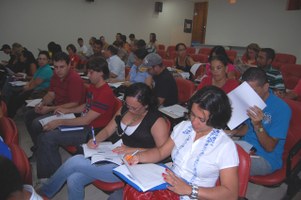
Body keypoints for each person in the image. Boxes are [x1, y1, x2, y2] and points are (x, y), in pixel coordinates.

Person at [38, 82, 170, 200]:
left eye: (134, 108)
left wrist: (132, 150)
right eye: (127, 105)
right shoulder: (124, 109)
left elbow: (162, 153)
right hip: (116, 156)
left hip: (134, 166)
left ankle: (43, 193)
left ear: (146, 105)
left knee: (76, 161)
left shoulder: (157, 121)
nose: (129, 109)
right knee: (74, 179)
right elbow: (108, 130)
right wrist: (96, 140)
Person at [125, 86, 239, 200]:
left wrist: (189, 189)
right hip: (169, 186)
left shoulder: (225, 146)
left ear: (216, 119)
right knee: (134, 190)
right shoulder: (184, 127)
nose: (194, 122)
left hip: (197, 195)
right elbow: (160, 152)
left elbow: (230, 194)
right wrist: (139, 157)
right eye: (193, 114)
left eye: (201, 119)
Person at [36, 56, 116, 179]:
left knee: (48, 138)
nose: (88, 75)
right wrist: (67, 110)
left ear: (101, 73)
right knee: (44, 134)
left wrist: (59, 122)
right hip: (85, 124)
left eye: (91, 72)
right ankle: (50, 172)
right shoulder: (94, 86)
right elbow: (86, 105)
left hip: (92, 130)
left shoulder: (105, 92)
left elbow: (86, 119)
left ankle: (53, 177)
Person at [228, 67, 291, 176]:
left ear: (266, 87)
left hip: (265, 157)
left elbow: (269, 147)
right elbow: (248, 127)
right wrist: (231, 133)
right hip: (245, 146)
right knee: (211, 148)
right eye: (245, 91)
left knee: (223, 162)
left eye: (253, 91)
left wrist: (258, 125)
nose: (248, 95)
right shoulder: (251, 100)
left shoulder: (282, 109)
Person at [24, 52, 86, 159]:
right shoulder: (55, 76)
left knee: (36, 124)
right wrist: (42, 103)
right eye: (56, 67)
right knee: (28, 115)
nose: (58, 70)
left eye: (62, 67)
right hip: (57, 108)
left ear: (69, 65)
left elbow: (74, 104)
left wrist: (49, 108)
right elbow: (51, 94)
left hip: (72, 112)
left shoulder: (74, 78)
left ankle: (40, 151)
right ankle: (39, 147)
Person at [7, 51, 53, 118]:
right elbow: (33, 79)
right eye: (40, 59)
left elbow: (35, 84)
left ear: (48, 60)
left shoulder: (46, 70)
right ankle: (8, 114)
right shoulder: (41, 68)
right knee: (14, 94)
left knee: (17, 97)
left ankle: (9, 116)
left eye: (44, 59)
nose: (41, 61)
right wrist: (27, 85)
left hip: (40, 92)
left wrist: (25, 88)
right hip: (34, 89)